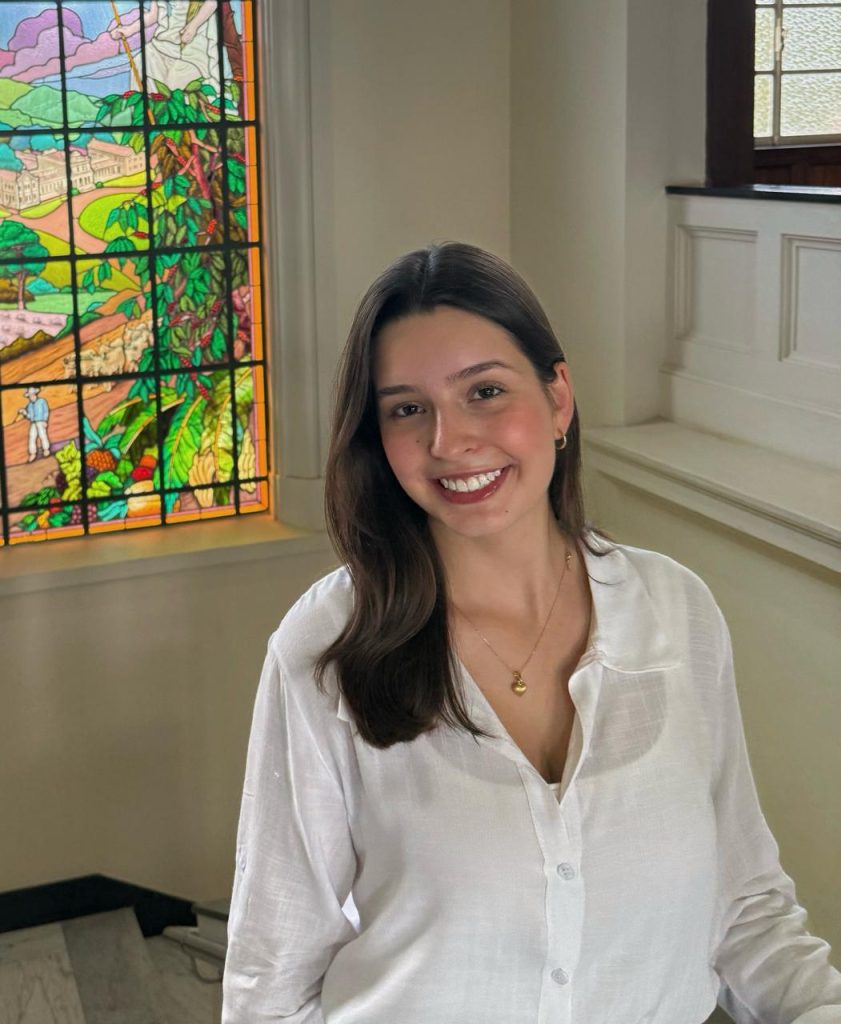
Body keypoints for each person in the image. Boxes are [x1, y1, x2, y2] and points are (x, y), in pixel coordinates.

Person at [222, 243, 840, 1023]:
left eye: (484, 391)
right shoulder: (323, 647)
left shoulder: (677, 614)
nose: (448, 441)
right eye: (407, 408)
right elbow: (270, 975)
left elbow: (745, 907)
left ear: (557, 399)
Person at [16, 385, 50, 462]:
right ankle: (33, 453)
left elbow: (46, 411)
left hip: (41, 421)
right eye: (29, 395)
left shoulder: (42, 401)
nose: (31, 396)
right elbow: (30, 417)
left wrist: (45, 420)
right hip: (34, 423)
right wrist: (25, 413)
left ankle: (46, 450)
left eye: (32, 394)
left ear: (35, 393)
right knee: (32, 437)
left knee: (42, 435)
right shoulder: (29, 406)